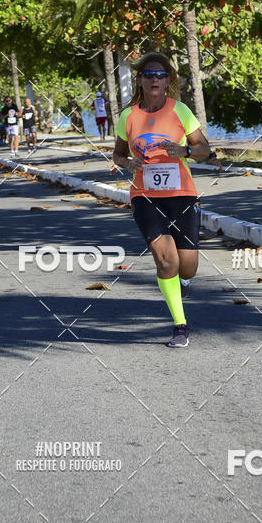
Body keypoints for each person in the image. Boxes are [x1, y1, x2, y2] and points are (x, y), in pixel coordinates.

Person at [112, 52, 212, 348]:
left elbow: (204, 149)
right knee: (167, 261)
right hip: (144, 197)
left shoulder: (180, 110)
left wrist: (185, 151)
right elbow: (118, 154)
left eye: (160, 75)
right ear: (139, 80)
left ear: (168, 80)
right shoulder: (128, 116)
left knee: (187, 266)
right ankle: (180, 326)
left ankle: (183, 281)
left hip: (182, 195)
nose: (154, 79)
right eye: (148, 75)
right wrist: (128, 163)